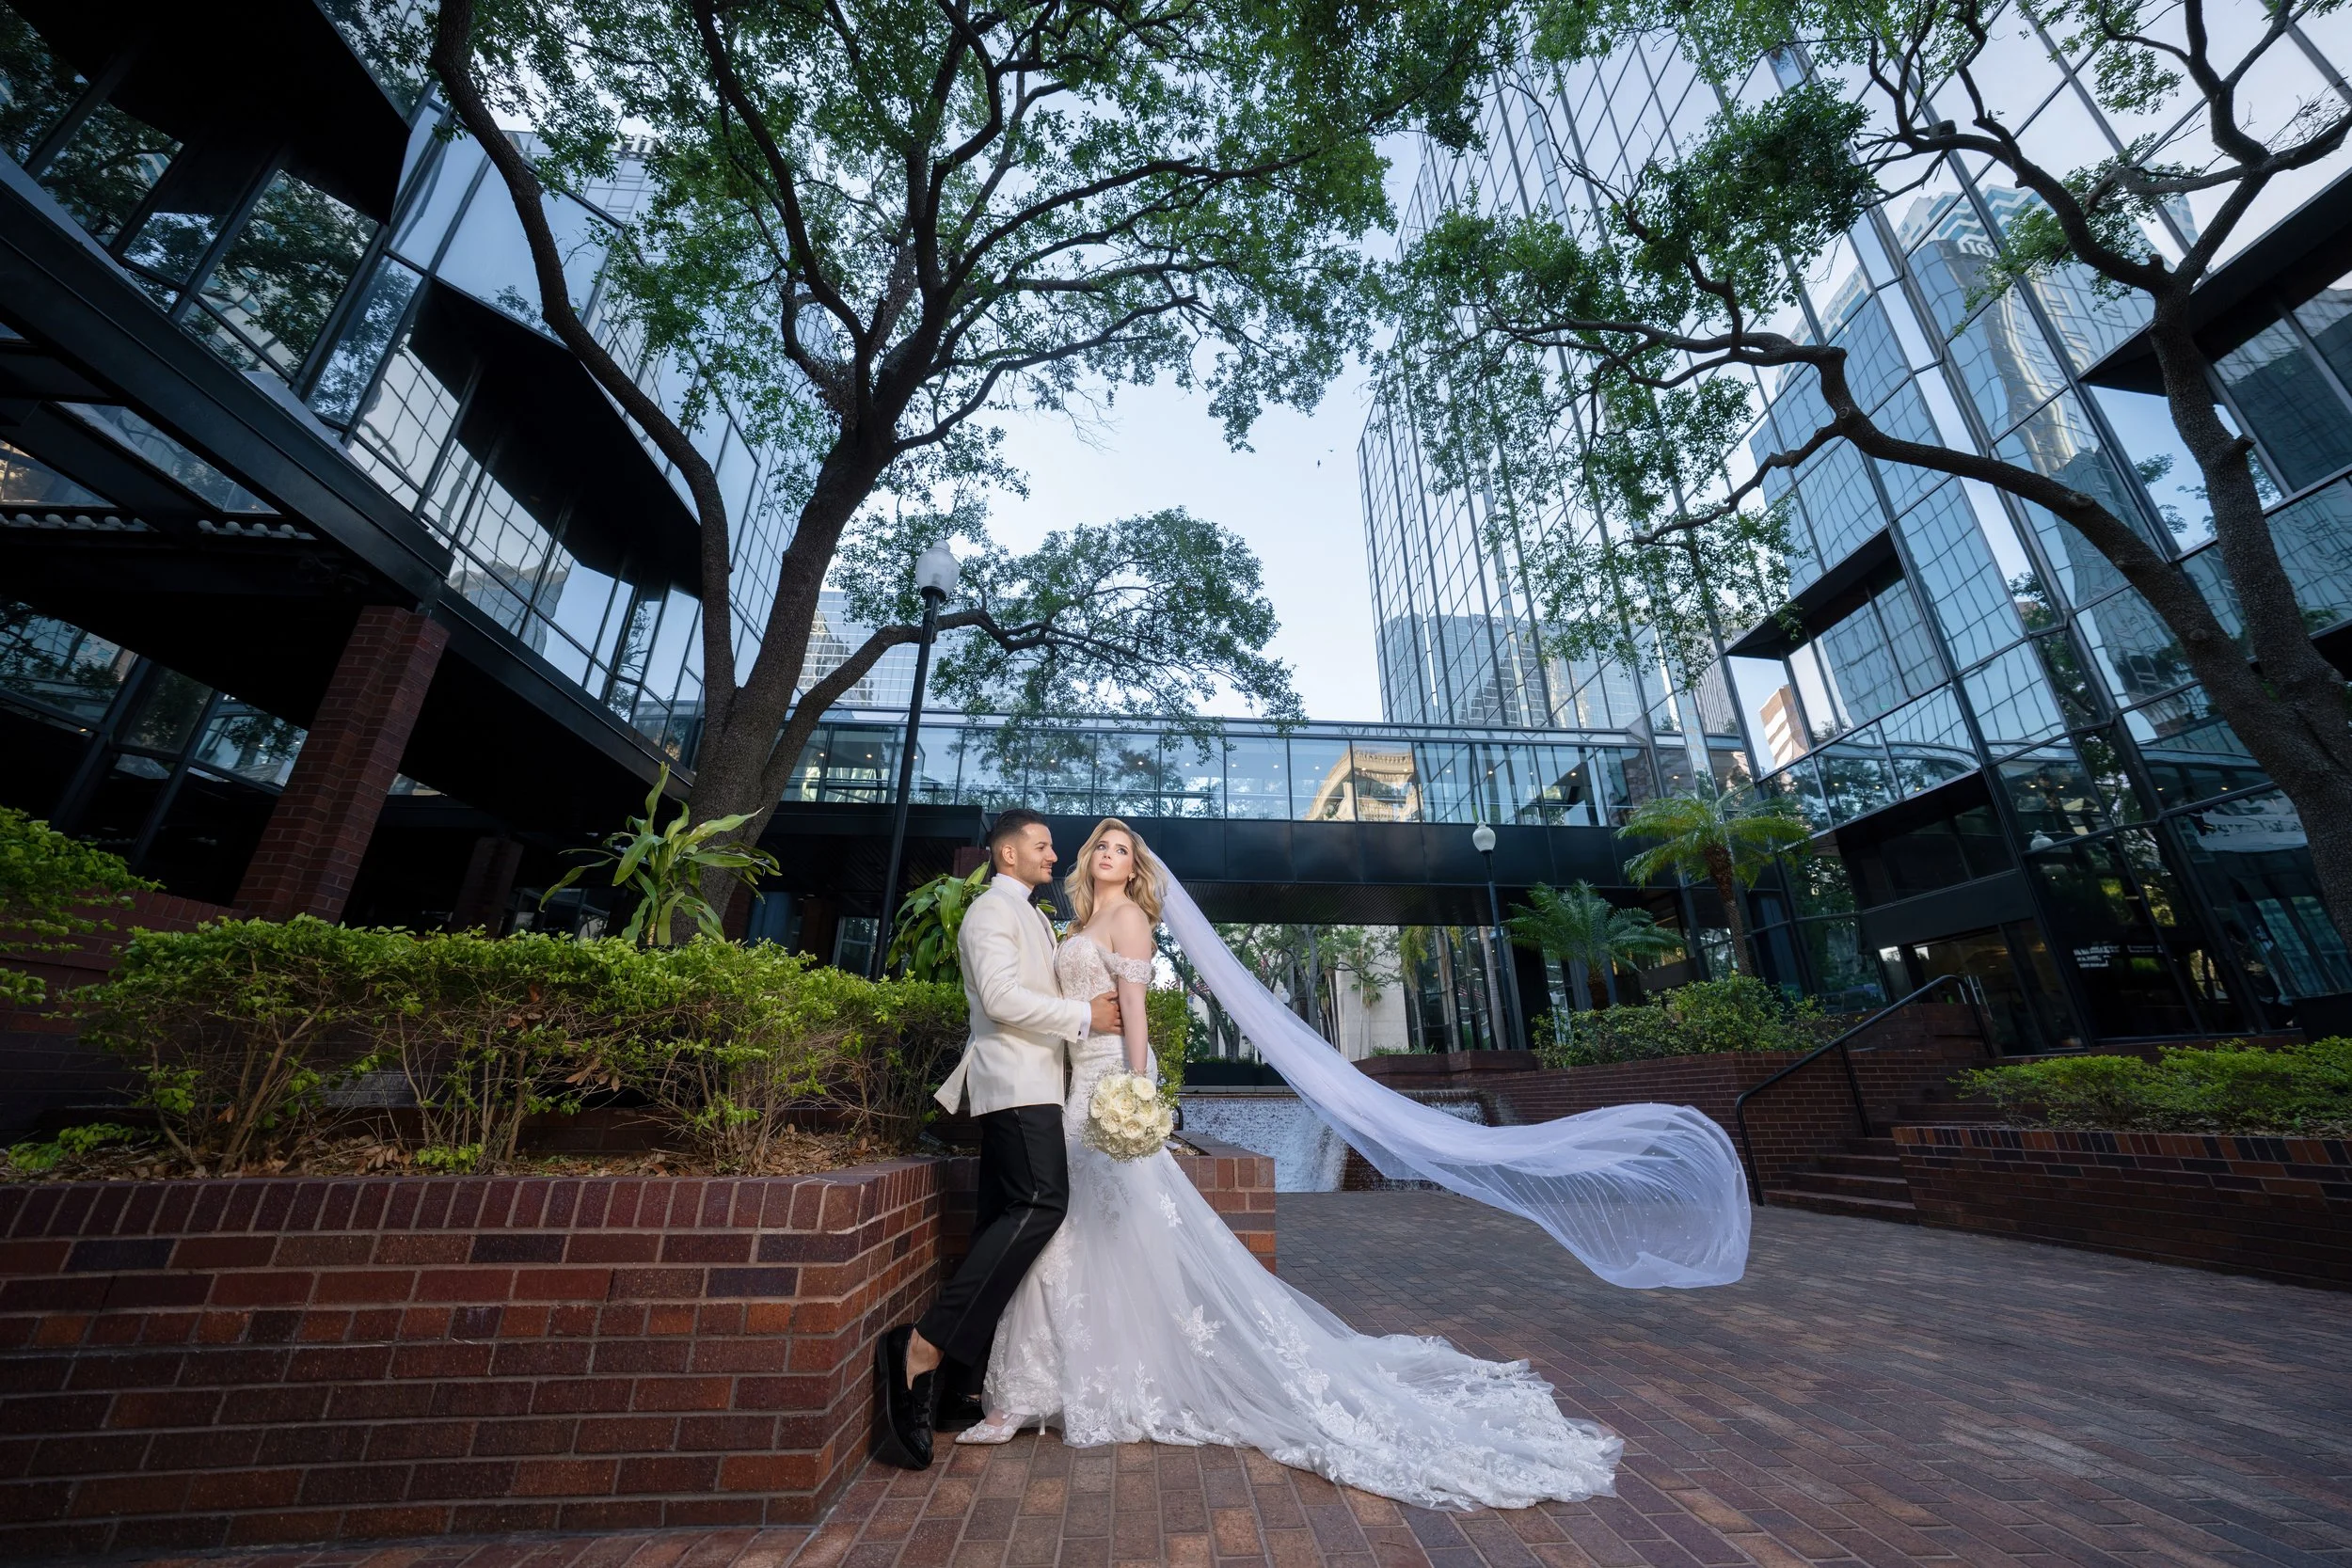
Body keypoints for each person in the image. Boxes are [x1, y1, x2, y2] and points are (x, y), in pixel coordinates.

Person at [951, 818, 1643, 1511]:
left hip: (1108, 1088)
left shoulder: (1129, 916)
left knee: (1109, 1228)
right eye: (1100, 847)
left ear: (1135, 869)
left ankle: (1060, 1386)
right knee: (1074, 1233)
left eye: (1121, 850)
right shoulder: (1069, 919)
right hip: (1068, 1090)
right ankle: (1057, 1379)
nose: (1107, 856)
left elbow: (1135, 1011)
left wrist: (1137, 1090)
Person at [872, 808, 1120, 1471]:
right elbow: (1003, 999)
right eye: (1041, 844)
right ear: (1008, 855)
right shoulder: (990, 910)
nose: (1052, 852)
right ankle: (921, 1347)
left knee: (997, 1221)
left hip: (1041, 1084)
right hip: (1016, 1084)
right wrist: (1083, 1017)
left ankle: (957, 1384)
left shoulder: (1033, 914)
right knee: (1043, 1203)